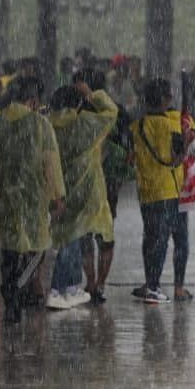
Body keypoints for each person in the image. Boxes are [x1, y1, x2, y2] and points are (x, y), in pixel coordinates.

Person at [0, 76, 64, 325]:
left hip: (6, 198)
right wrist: (57, 196)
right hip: (34, 199)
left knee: (10, 250)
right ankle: (17, 289)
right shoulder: (41, 125)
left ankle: (10, 297)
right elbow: (51, 163)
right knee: (38, 248)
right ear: (33, 101)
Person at [48, 79, 118, 310]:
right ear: (77, 105)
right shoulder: (86, 124)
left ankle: (72, 287)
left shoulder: (48, 126)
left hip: (61, 192)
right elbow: (111, 112)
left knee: (71, 239)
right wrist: (92, 94)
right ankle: (67, 288)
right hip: (90, 194)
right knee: (90, 241)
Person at [130, 79, 189, 305]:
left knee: (150, 237)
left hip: (146, 191)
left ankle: (150, 282)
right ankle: (155, 287)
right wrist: (184, 147)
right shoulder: (170, 126)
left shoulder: (138, 125)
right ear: (166, 100)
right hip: (167, 190)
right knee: (163, 241)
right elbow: (175, 159)